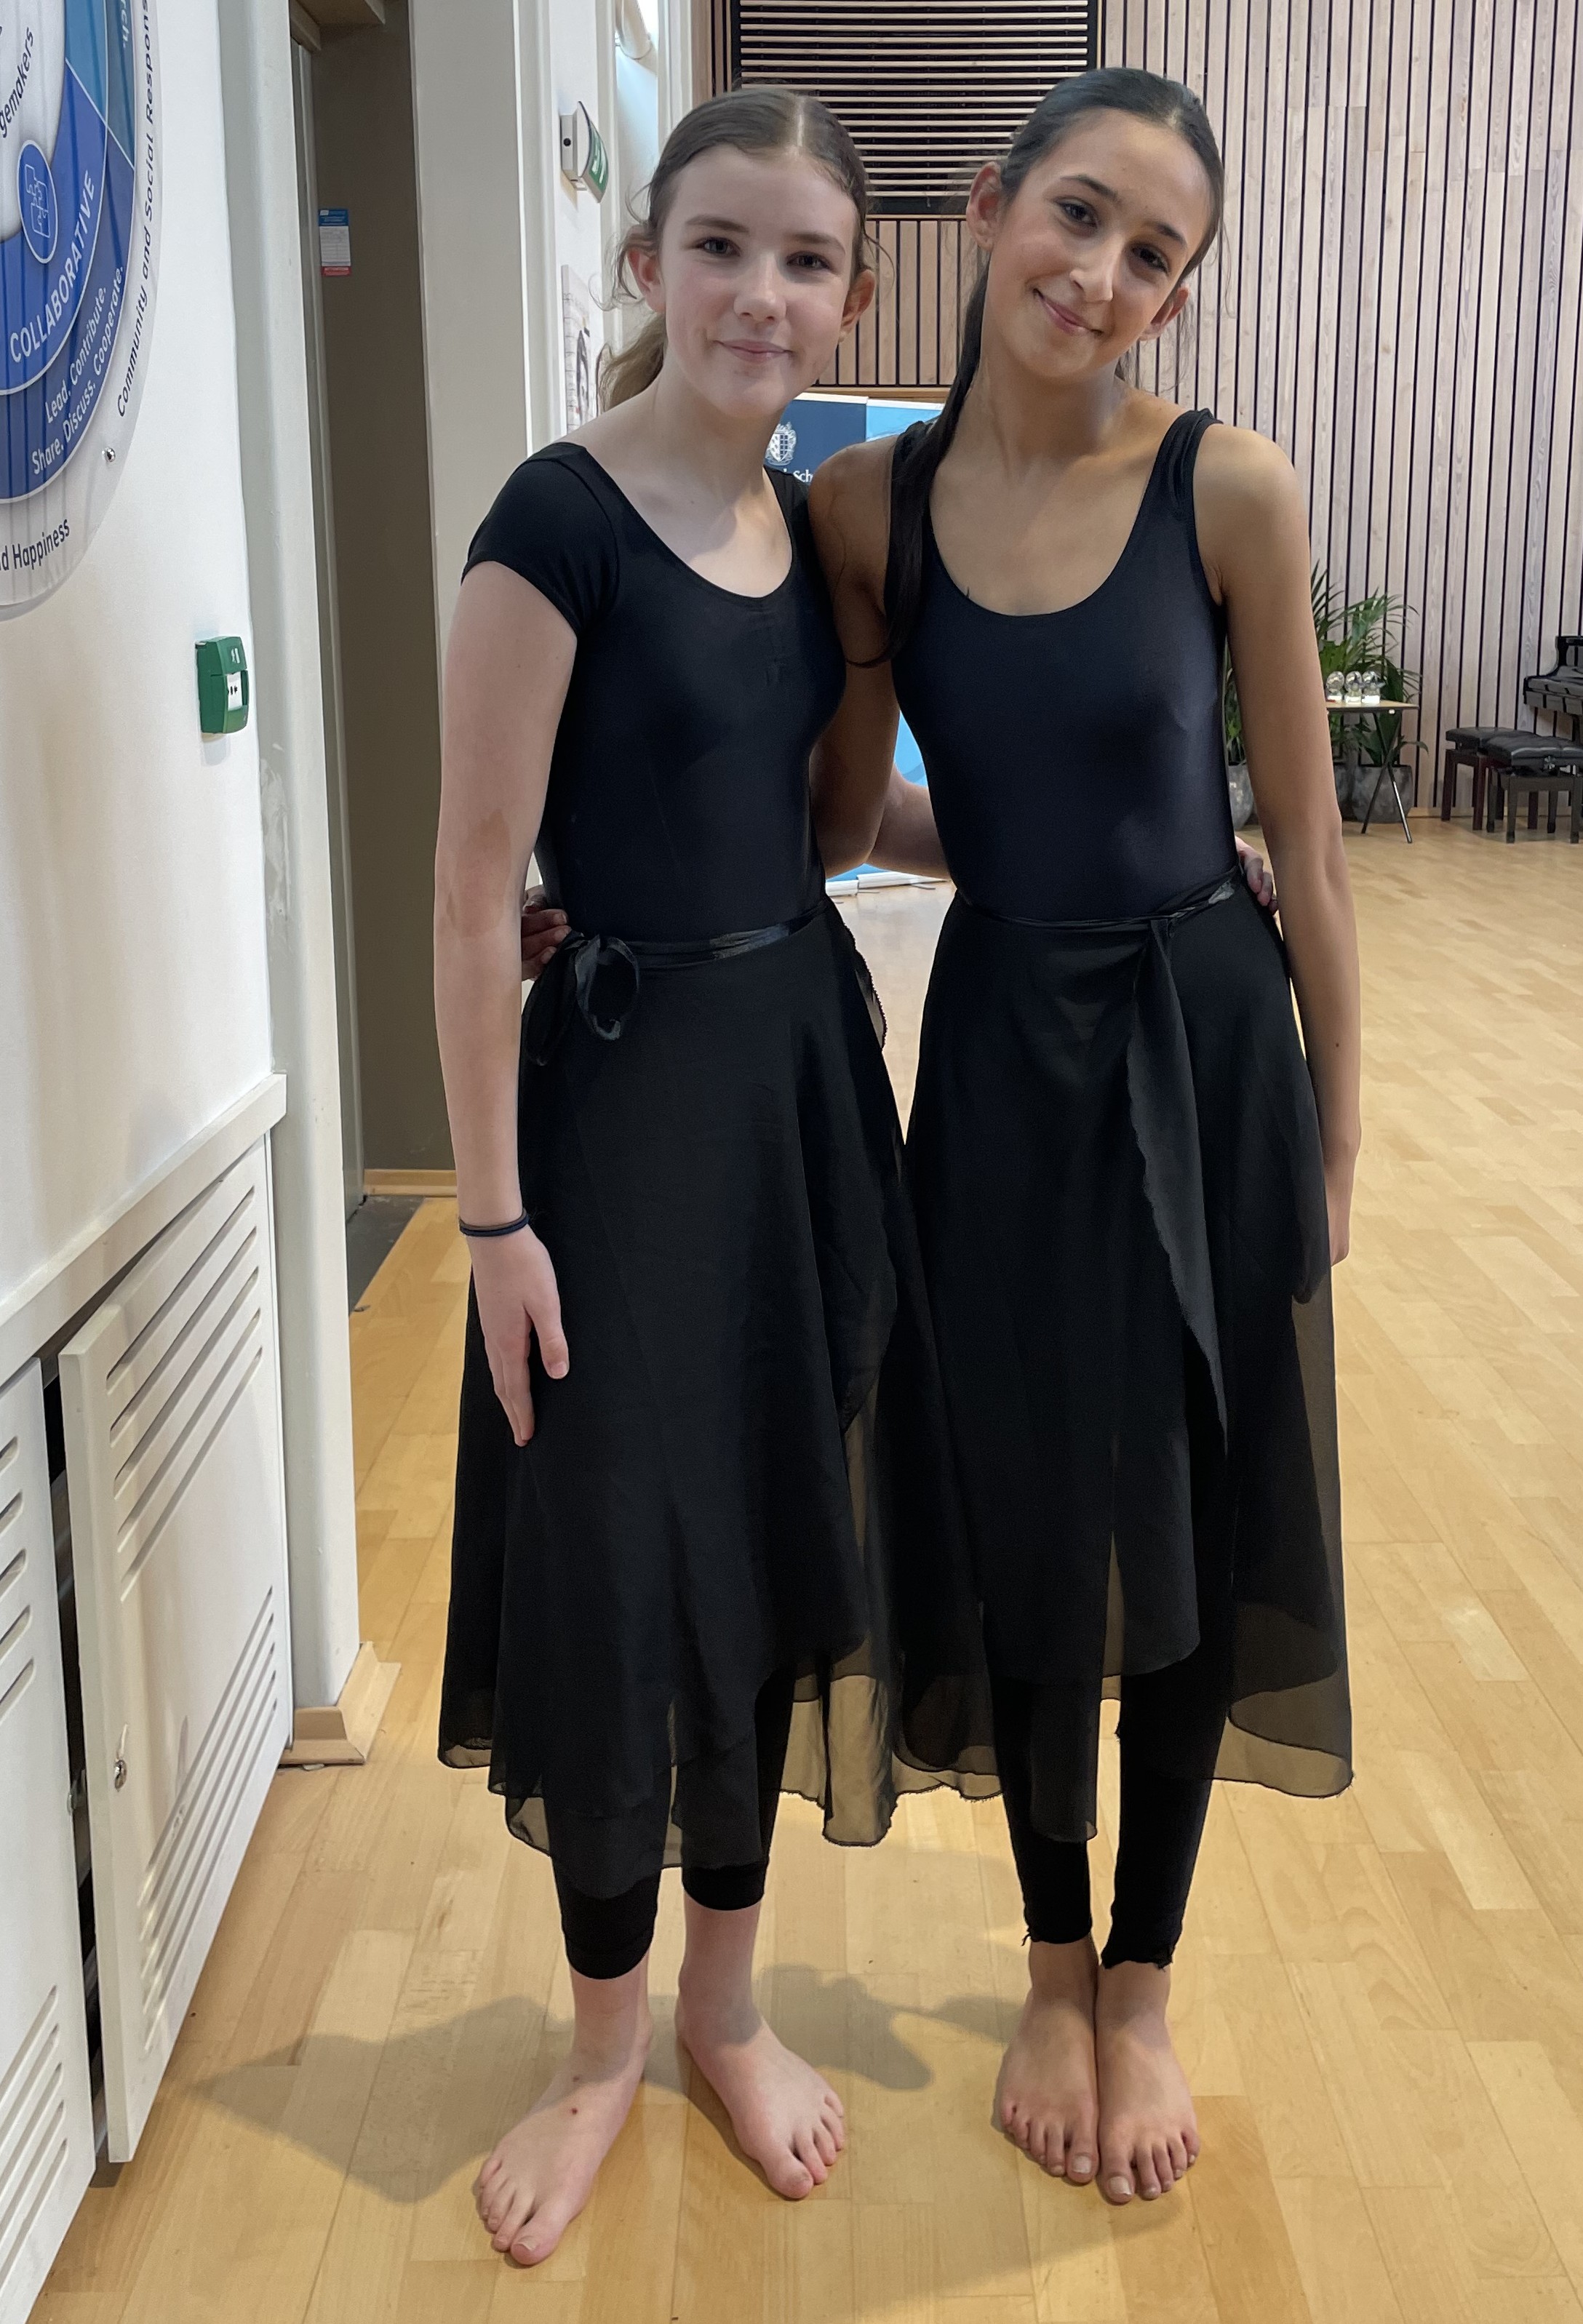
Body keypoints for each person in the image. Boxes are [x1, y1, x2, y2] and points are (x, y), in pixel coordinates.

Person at [807, 67, 1358, 2211]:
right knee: (1032, 1501)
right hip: (1013, 1053)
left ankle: (1145, 1980)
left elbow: (1305, 845)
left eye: (1158, 257)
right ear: (987, 200)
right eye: (1083, 216)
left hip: (1211, 1044)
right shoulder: (868, 514)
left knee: (1202, 1510)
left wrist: (1338, 1129)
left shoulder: (1230, 488)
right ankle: (1048, 1960)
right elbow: (853, 820)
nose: (1105, 276)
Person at [434, 86, 967, 2269]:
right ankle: (600, 2045)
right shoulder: (555, 517)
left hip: (796, 1088)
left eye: (807, 257)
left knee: (763, 1537)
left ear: (851, 288)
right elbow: (478, 893)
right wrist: (488, 1215)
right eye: (724, 246)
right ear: (648, 265)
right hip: (617, 1113)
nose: (765, 291)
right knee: (613, 1564)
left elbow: (822, 825)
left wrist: (1114, 855)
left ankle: (729, 2013)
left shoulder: (809, 534)